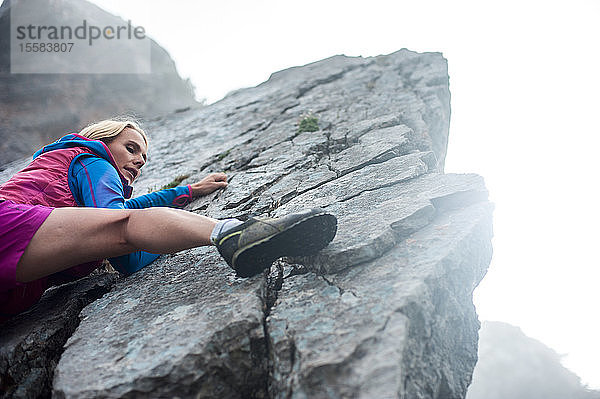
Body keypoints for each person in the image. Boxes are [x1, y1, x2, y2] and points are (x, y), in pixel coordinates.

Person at [0, 120, 337, 321]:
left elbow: (124, 208)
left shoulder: (66, 169)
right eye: (131, 148)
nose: (138, 161)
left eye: (143, 159)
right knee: (125, 229)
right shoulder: (93, 158)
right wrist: (166, 243)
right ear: (102, 140)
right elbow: (125, 232)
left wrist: (187, 191)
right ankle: (233, 233)